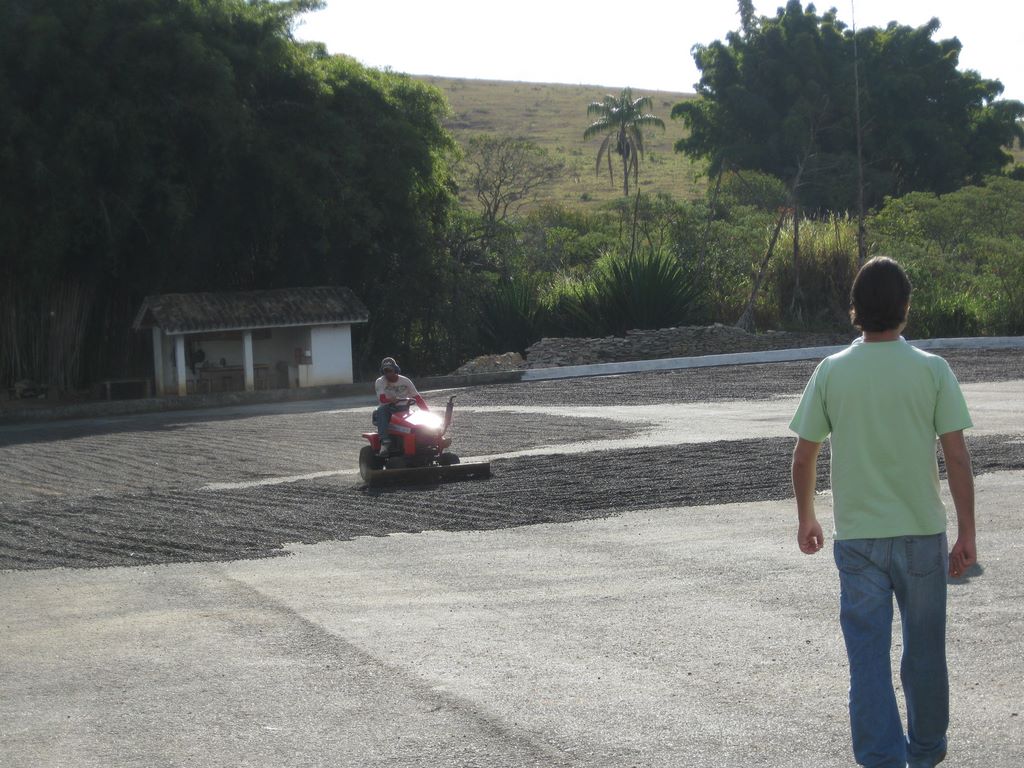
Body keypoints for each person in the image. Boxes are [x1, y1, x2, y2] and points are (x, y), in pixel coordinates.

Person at [788, 256, 977, 768]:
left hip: (858, 541)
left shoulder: (831, 372)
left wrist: (807, 516)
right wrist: (967, 534)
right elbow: (956, 456)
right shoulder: (932, 370)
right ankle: (927, 750)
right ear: (905, 307)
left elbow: (805, 454)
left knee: (867, 660)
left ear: (856, 309)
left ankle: (881, 758)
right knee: (924, 653)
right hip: (921, 535)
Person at [373, 357, 428, 456]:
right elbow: (382, 399)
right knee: (381, 410)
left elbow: (417, 398)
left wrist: (428, 413)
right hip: (388, 410)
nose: (388, 373)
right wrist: (392, 400)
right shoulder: (380, 382)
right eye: (386, 371)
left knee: (418, 419)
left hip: (404, 408)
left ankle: (425, 440)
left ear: (396, 370)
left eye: (390, 370)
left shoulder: (405, 381)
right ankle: (385, 442)